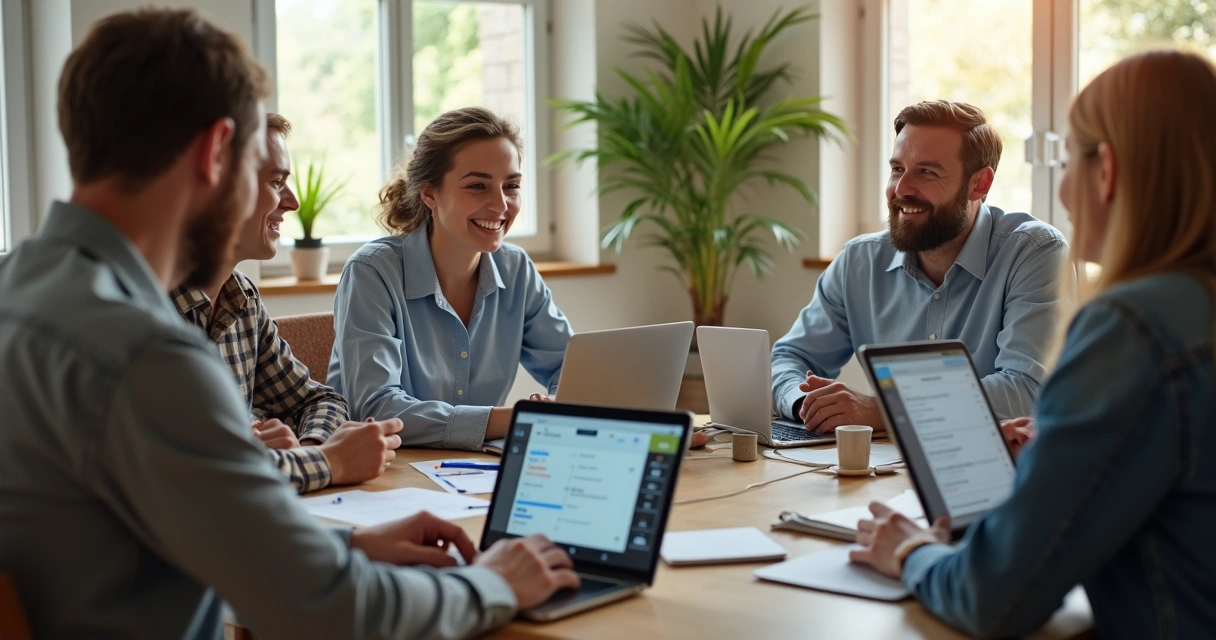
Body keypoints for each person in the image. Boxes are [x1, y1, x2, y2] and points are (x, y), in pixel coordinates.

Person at [0, 9, 576, 638]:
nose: (291, 201)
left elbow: (163, 536)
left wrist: (347, 549)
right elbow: (327, 612)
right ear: (215, 152)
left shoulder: (20, 289)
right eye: (263, 168)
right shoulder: (147, 358)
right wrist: (494, 581)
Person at [850, 50, 1216, 638]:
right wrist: (1062, 446)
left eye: (1068, 159)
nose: (1064, 192)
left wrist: (911, 550)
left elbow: (992, 595)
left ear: (1109, 171)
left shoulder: (1130, 327)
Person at [771, 101, 1068, 433]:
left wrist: (883, 410)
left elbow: (1027, 390)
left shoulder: (1034, 251)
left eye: (926, 172)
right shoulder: (860, 260)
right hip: (881, 469)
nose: (901, 190)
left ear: (979, 184)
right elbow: (790, 358)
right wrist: (805, 405)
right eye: (897, 169)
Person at [171, 113, 395, 494]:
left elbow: (319, 400)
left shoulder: (241, 298)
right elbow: (193, 471)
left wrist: (305, 448)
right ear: (218, 185)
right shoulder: (147, 312)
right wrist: (329, 460)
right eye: (276, 182)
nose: (290, 201)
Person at [329, 107, 573, 450]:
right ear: (430, 194)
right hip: (382, 475)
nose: (501, 205)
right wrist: (513, 417)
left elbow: (573, 368)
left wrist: (563, 404)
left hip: (477, 471)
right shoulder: (372, 272)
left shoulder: (516, 268)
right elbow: (376, 408)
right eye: (478, 186)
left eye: (512, 186)